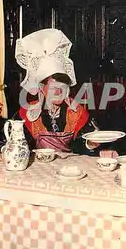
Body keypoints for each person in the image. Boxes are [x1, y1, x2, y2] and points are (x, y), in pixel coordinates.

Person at [15, 28, 101, 156]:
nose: (58, 91)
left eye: (63, 87)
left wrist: (91, 143)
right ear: (41, 88)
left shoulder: (77, 112)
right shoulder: (26, 113)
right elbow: (19, 145)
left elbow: (80, 147)